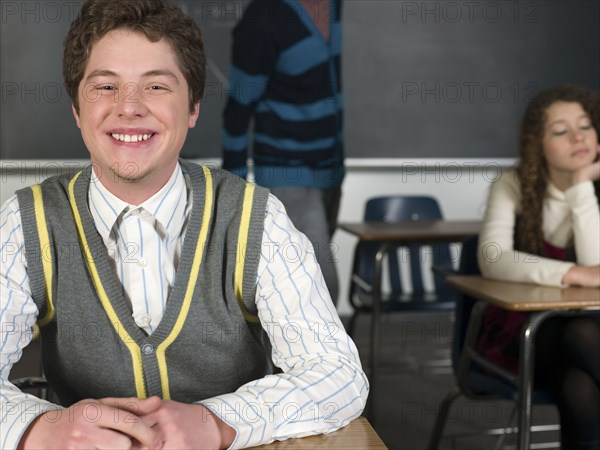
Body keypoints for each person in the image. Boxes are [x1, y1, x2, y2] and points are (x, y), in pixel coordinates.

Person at [0, 1, 368, 449]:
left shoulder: (255, 217)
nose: (129, 107)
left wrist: (219, 421)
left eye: (156, 85)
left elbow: (338, 374)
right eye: (105, 86)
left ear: (193, 107)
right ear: (77, 110)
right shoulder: (28, 222)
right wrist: (42, 428)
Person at [477, 85, 600, 450]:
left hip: (590, 331)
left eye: (586, 126)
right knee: (578, 332)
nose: (578, 137)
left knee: (577, 385)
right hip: (526, 332)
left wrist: (581, 187)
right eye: (561, 131)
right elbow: (492, 257)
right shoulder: (512, 185)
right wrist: (571, 274)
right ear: (538, 144)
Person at [221, 0, 344, 305]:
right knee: (320, 291)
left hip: (332, 171)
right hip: (286, 173)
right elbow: (237, 110)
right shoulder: (263, 18)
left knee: (296, 289)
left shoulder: (334, 5)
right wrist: (231, 190)